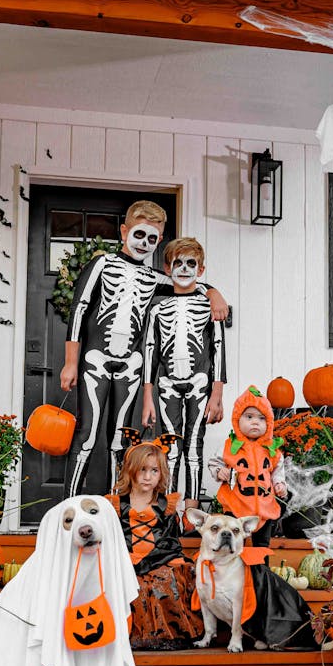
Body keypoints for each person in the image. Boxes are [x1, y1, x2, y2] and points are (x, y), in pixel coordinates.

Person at [61, 201, 227, 496]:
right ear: (124, 231)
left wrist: (215, 293)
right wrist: (71, 362)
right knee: (86, 433)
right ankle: (69, 508)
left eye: (152, 238)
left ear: (159, 240)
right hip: (95, 359)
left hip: (131, 366)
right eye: (139, 234)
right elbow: (80, 308)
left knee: (120, 439)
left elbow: (190, 284)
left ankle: (114, 507)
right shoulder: (102, 264)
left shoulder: (156, 278)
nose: (145, 243)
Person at [141, 236, 226, 509]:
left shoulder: (210, 307)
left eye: (192, 263)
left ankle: (191, 508)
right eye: (178, 263)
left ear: (201, 271)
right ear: (168, 269)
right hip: (166, 384)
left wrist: (217, 393)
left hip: (200, 381)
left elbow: (219, 350)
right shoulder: (158, 308)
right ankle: (168, 506)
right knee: (170, 445)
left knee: (193, 444)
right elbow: (150, 353)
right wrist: (147, 397)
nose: (185, 268)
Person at [110, 441, 202, 650]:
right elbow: (113, 539)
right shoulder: (116, 506)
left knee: (165, 579)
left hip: (160, 558)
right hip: (128, 559)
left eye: (154, 471)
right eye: (142, 470)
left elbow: (170, 541)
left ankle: (169, 635)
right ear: (129, 470)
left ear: (162, 475)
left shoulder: (165, 506)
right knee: (136, 586)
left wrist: (154, 561)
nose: (147, 476)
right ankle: (135, 636)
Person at [210, 385, 288, 555]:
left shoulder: (271, 450)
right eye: (249, 417)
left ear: (269, 423)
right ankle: (237, 574)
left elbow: (277, 470)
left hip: (264, 507)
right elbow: (213, 462)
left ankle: (260, 575)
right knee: (236, 546)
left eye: (261, 418)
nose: (255, 422)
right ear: (237, 420)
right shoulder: (230, 447)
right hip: (237, 505)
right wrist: (219, 471)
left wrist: (279, 484)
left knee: (262, 547)